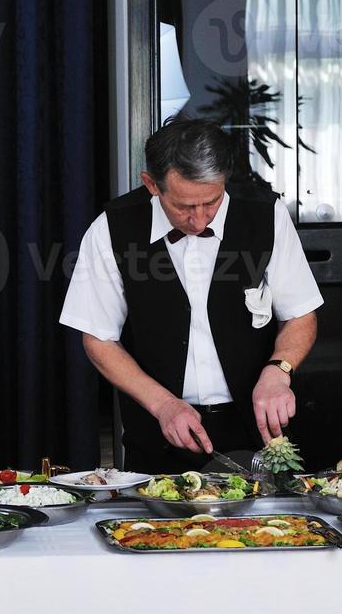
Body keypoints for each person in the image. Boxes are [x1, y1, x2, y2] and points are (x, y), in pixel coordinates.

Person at [60, 117, 323, 472]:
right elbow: (98, 337)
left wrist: (279, 371)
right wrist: (163, 404)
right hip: (159, 431)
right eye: (184, 207)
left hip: (258, 431)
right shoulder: (112, 228)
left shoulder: (265, 215)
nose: (200, 221)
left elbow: (300, 313)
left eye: (211, 203)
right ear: (152, 185)